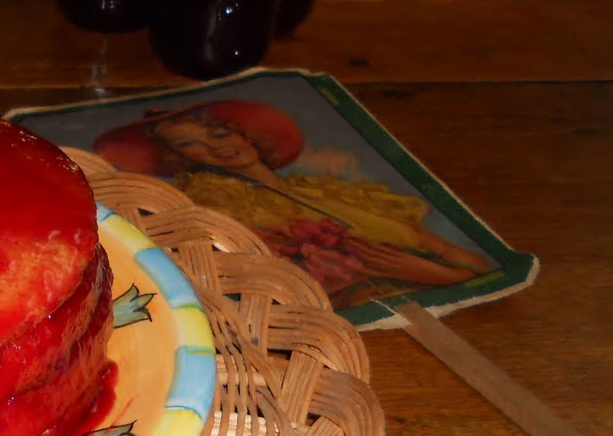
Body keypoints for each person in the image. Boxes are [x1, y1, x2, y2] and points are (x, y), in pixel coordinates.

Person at [94, 100, 492, 306]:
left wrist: (425, 271)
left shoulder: (335, 193)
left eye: (218, 133)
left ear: (246, 135)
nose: (218, 148)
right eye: (191, 145)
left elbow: (478, 268)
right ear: (182, 160)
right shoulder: (212, 214)